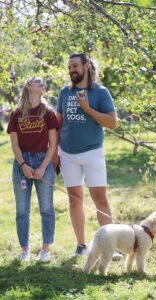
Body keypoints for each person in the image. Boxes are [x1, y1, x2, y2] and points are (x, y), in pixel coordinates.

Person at [54, 52, 123, 260]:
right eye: (69, 67)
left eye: (75, 65)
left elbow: (112, 123)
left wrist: (87, 109)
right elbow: (58, 124)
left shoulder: (100, 92)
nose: (71, 69)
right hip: (67, 154)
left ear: (86, 67)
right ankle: (81, 246)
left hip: (93, 152)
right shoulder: (64, 93)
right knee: (75, 200)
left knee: (100, 198)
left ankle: (111, 246)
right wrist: (55, 152)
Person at [7, 76, 59, 262]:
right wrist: (23, 165)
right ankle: (25, 250)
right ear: (29, 86)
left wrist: (43, 167)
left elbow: (53, 143)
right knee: (22, 210)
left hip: (42, 159)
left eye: (43, 83)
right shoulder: (16, 114)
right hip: (22, 163)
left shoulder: (48, 113)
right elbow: (14, 145)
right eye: (38, 83)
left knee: (46, 208)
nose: (43, 85)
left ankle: (45, 249)